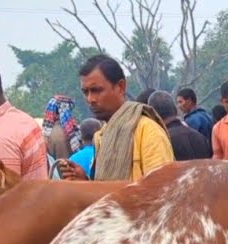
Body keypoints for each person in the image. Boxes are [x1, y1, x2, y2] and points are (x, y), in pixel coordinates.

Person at [54, 54, 173, 182]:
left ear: (120, 87)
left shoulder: (148, 131)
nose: (90, 99)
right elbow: (104, 192)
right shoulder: (101, 136)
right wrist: (85, 182)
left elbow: (161, 191)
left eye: (96, 90)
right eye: (86, 92)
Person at [150, 90, 212, 161]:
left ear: (153, 116)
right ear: (175, 110)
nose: (179, 106)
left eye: (180, 102)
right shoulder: (200, 137)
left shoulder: (162, 142)